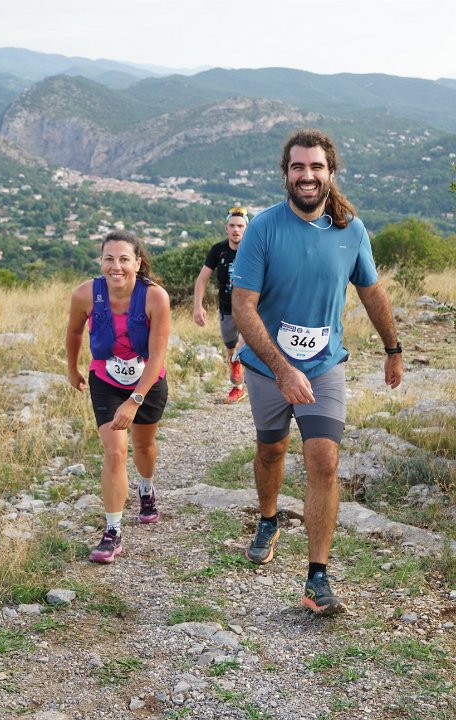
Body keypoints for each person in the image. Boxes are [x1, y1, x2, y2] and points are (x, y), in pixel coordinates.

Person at [231, 129, 403, 615]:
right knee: (271, 450)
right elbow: (243, 306)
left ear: (331, 172)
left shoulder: (352, 231)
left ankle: (317, 578)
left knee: (324, 461)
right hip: (268, 367)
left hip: (325, 365)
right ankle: (269, 518)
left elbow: (372, 291)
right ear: (285, 173)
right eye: (298, 167)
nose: (307, 175)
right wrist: (282, 369)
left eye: (316, 167)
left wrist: (393, 348)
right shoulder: (264, 228)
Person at [66, 229, 170, 563]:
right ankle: (112, 532)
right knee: (115, 451)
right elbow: (74, 332)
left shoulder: (155, 297)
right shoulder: (85, 294)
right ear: (101, 261)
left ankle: (146, 487)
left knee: (144, 447)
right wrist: (72, 368)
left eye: (124, 259)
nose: (116, 266)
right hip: (106, 379)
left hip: (147, 381)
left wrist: (135, 400)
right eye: (109, 258)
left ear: (137, 263)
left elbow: (157, 356)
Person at [193, 207, 249, 404]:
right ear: (226, 228)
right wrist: (197, 306)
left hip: (250, 309)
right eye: (232, 226)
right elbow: (202, 280)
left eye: (240, 226)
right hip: (226, 309)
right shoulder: (218, 250)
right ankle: (238, 388)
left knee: (246, 344)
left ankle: (262, 384)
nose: (236, 230)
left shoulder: (254, 249)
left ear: (246, 228)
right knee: (231, 348)